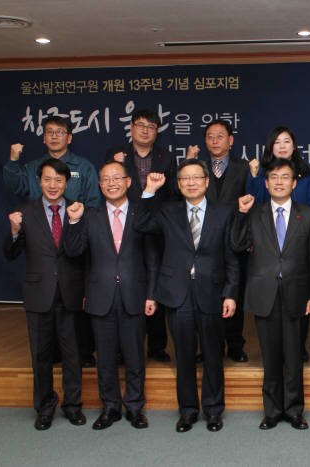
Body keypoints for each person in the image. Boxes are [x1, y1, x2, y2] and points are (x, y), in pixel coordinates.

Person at [134, 159, 240, 433]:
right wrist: (149, 191)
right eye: (185, 179)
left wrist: (230, 293)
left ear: (206, 182)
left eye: (196, 178)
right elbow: (141, 223)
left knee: (214, 355)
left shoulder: (224, 212)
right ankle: (189, 411)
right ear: (178, 185)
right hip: (177, 293)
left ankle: (214, 411)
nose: (191, 182)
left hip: (212, 292)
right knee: (183, 357)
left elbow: (231, 256)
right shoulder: (166, 210)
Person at [62, 161, 159, 430]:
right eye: (105, 179)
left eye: (117, 177)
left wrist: (152, 294)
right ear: (99, 185)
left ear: (129, 182)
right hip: (100, 295)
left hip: (135, 294)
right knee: (104, 358)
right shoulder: (88, 215)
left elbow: (152, 258)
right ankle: (110, 407)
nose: (111, 182)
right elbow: (73, 252)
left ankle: (135, 408)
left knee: (135, 357)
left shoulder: (142, 214)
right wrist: (72, 221)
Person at [231, 158, 310, 430]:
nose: (279, 182)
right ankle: (271, 411)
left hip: (297, 293)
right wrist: (239, 213)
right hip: (265, 293)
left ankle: (294, 410)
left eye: (285, 177)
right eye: (274, 177)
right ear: (266, 182)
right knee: (270, 357)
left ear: (294, 183)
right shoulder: (255, 213)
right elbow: (237, 245)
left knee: (294, 356)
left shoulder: (308, 215)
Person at [4, 114, 99, 366]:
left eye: (60, 132)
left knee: (76, 302)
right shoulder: (34, 167)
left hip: (75, 241)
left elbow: (93, 204)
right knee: (47, 303)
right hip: (44, 244)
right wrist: (14, 160)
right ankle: (53, 355)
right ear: (43, 137)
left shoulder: (84, 166)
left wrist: (80, 226)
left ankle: (84, 353)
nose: (54, 136)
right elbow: (14, 185)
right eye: (49, 131)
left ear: (69, 137)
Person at [3, 158, 86, 431]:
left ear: (66, 182)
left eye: (59, 180)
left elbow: (84, 253)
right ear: (39, 181)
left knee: (73, 354)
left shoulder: (77, 209)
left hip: (71, 292)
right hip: (39, 294)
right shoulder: (26, 213)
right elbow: (11, 254)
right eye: (48, 179)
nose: (53, 185)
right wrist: (14, 231)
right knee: (41, 355)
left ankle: (73, 406)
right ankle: (45, 407)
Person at [106, 109, 179, 363]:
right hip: (122, 227)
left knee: (155, 283)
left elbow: (172, 195)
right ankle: (122, 347)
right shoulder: (117, 155)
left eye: (151, 126)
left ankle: (157, 346)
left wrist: (166, 225)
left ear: (157, 131)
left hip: (156, 229)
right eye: (140, 125)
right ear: (132, 128)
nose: (145, 130)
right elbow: (108, 187)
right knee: (125, 283)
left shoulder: (167, 157)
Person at [246, 126, 310, 361]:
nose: (282, 146)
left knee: (298, 306)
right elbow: (252, 210)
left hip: (297, 246)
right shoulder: (261, 176)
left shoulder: (306, 176)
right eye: (277, 142)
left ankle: (299, 347)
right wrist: (253, 177)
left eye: (286, 141)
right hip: (269, 252)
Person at [187, 120, 249, 363]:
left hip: (235, 238)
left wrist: (247, 236)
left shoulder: (243, 168)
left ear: (231, 140)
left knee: (234, 294)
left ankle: (235, 345)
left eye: (220, 136)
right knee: (207, 295)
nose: (215, 140)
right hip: (204, 240)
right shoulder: (196, 169)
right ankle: (209, 347)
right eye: (210, 136)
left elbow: (253, 205)